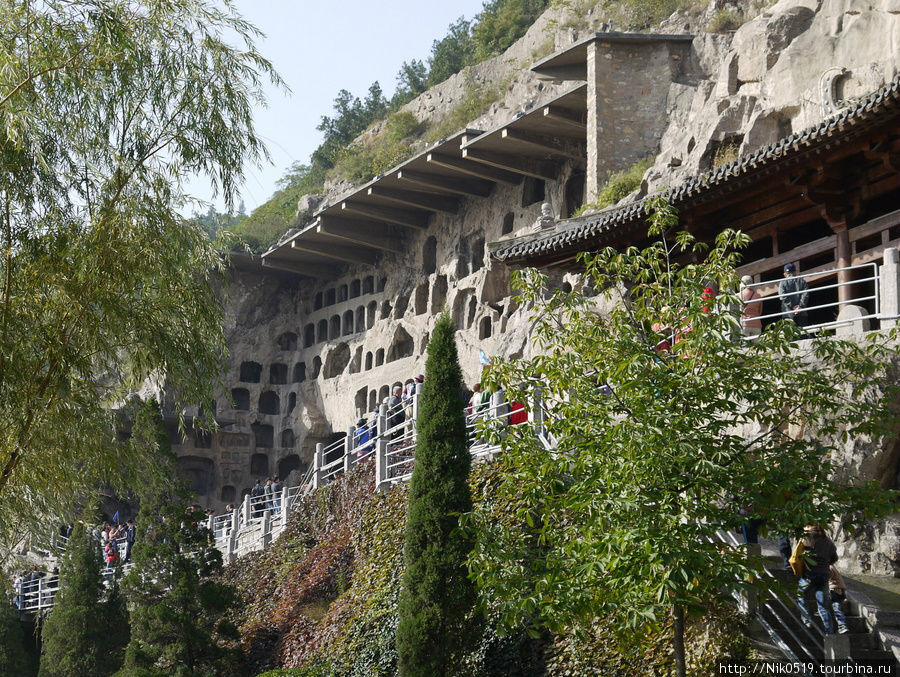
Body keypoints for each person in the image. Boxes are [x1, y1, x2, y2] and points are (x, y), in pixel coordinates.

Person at [795, 524, 838, 634]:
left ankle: (807, 620)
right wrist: (826, 563)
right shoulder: (828, 541)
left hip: (810, 574)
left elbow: (797, 554)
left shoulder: (807, 537)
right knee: (823, 607)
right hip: (824, 575)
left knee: (801, 594)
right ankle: (830, 633)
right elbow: (835, 557)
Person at [829, 565, 850, 634]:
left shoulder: (828, 566)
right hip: (839, 589)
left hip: (835, 589)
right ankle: (842, 625)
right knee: (837, 606)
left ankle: (842, 626)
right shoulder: (832, 566)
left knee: (836, 607)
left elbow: (827, 577)